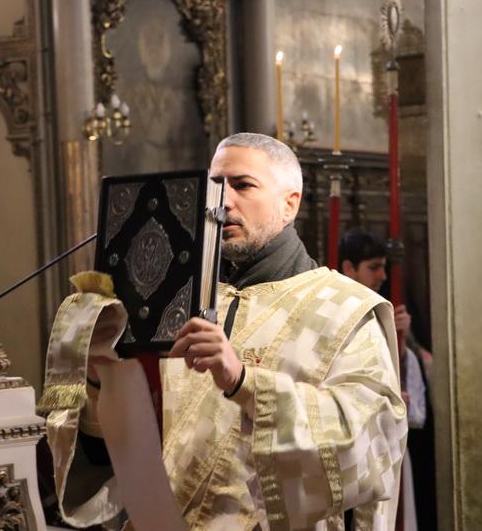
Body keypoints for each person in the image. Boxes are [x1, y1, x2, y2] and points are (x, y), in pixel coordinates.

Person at [51, 133, 407, 530]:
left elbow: (371, 442)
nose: (223, 201)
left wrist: (243, 382)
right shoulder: (175, 300)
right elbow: (126, 452)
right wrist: (101, 377)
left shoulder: (346, 309)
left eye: (243, 185)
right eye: (215, 186)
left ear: (289, 204)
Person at [339, 228, 438, 531]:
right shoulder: (335, 310)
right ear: (349, 268)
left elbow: (407, 387)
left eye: (384, 267)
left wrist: (401, 342)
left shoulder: (384, 312)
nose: (382, 276)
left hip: (386, 444)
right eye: (374, 267)